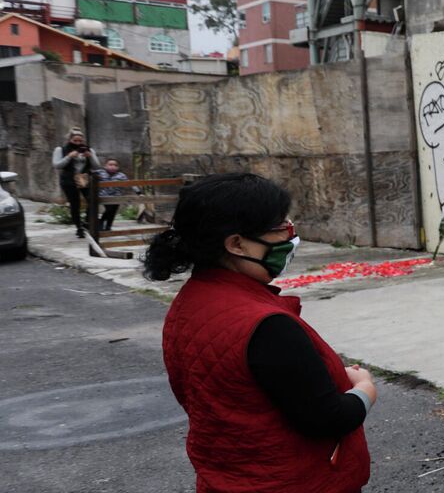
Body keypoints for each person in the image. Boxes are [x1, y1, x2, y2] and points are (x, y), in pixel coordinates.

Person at [143, 173, 374, 492]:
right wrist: (364, 388)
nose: (290, 235)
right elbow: (328, 418)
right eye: (279, 227)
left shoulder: (189, 304)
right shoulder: (265, 325)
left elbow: (243, 387)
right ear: (236, 243)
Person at [52, 129, 99, 236]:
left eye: (80, 141)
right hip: (69, 179)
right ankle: (79, 227)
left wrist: (90, 156)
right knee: (75, 204)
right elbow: (56, 165)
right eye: (75, 140)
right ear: (70, 139)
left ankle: (87, 222)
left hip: (83, 178)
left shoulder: (88, 149)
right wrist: (69, 156)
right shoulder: (60, 150)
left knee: (92, 200)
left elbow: (97, 166)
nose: (78, 143)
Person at [95, 158, 130, 233]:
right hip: (104, 196)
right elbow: (89, 174)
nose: (112, 166)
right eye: (110, 165)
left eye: (115, 165)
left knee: (113, 211)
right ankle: (101, 222)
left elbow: (130, 184)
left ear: (118, 167)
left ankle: (108, 226)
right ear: (105, 166)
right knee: (109, 210)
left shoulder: (121, 175)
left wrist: (139, 192)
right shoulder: (100, 172)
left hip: (117, 196)